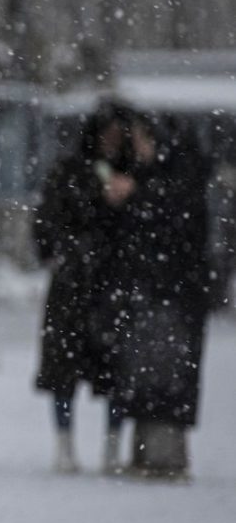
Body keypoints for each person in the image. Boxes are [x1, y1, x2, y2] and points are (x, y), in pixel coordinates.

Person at [33, 103, 136, 474]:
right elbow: (48, 222)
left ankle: (112, 448)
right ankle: (64, 445)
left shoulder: (136, 176)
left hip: (116, 287)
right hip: (73, 285)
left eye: (118, 134)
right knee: (64, 367)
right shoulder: (70, 172)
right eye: (106, 133)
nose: (112, 141)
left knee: (120, 367)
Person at [108, 112, 211, 479]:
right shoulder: (165, 178)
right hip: (160, 292)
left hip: (170, 294)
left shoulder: (175, 181)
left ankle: (162, 458)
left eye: (141, 140)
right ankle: (151, 456)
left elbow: (174, 226)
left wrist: (137, 196)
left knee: (163, 376)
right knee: (151, 375)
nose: (136, 148)